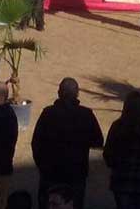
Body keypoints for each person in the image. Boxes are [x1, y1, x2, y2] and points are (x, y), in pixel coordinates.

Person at [32, 78, 104, 209]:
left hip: (50, 172)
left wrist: (42, 165)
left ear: (59, 92)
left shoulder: (48, 113)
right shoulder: (86, 115)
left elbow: (36, 143)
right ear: (77, 93)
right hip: (76, 172)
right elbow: (98, 141)